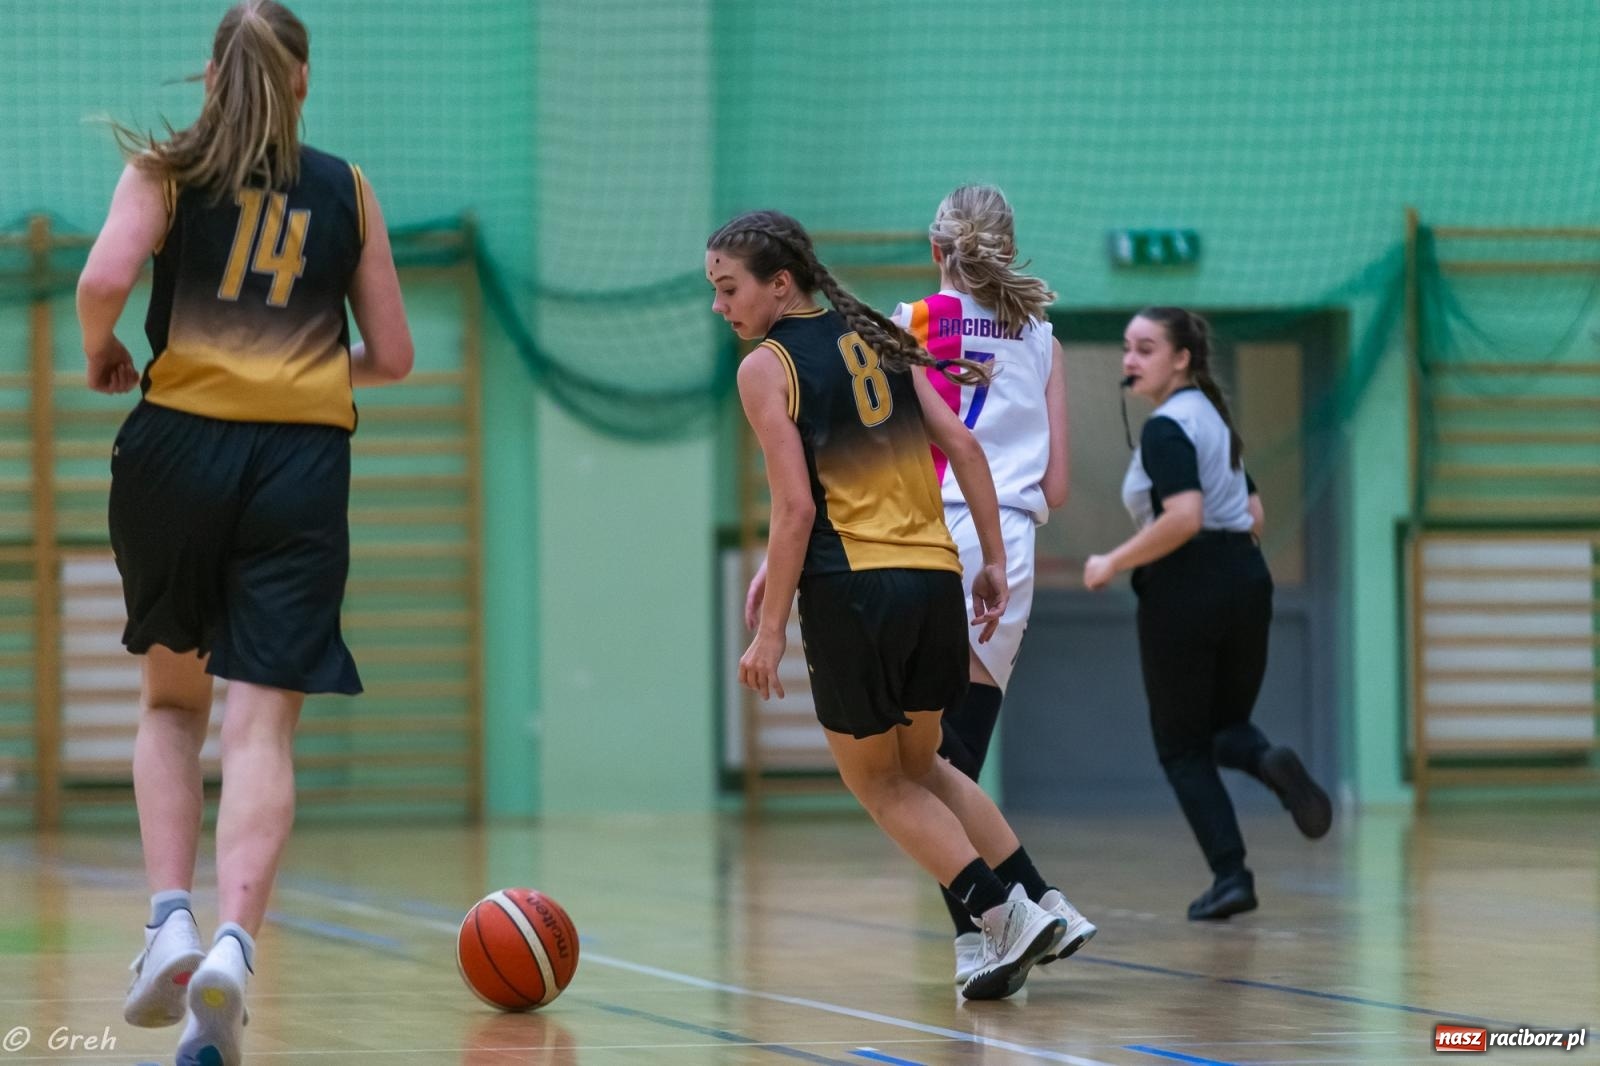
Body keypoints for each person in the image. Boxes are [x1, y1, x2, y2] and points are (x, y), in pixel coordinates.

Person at [76, 2, 413, 1061]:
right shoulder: (347, 189)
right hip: (300, 465)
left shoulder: (166, 170)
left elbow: (102, 280)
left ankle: (169, 919)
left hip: (177, 449)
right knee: (261, 728)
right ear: (303, 79)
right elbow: (394, 355)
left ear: (213, 76)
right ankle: (232, 944)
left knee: (172, 702)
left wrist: (103, 349)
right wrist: (298, 365)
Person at [713, 209, 1069, 1001]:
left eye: (729, 288)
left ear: (780, 284)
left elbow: (796, 508)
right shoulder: (879, 331)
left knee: (880, 785)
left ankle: (1000, 914)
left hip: (856, 590)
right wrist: (993, 561)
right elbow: (963, 446)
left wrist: (769, 632)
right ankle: (1038, 902)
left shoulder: (766, 367)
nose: (719, 305)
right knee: (924, 767)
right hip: (935, 578)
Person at [885, 184, 1095, 982]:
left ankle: (1015, 915)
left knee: (922, 763)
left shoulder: (911, 321)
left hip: (927, 530)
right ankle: (1000, 929)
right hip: (1008, 538)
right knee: (955, 754)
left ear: (936, 249)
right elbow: (1059, 485)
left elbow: (883, 446)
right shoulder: (1042, 337)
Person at [1083, 307, 1330, 921]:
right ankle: (1269, 763)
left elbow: (1185, 516)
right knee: (1224, 730)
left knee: (1181, 748)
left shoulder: (1168, 429)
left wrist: (1112, 561)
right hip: (1246, 579)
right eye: (1127, 348)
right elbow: (1255, 516)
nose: (1129, 360)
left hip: (1185, 585)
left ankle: (1231, 876)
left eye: (1145, 349)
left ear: (1182, 359)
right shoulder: (1215, 422)